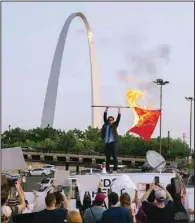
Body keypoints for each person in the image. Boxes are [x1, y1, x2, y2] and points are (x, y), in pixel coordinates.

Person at [101, 106, 121, 173]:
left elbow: (118, 118)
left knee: (115, 156)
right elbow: (104, 116)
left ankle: (115, 169)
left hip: (113, 142)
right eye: (109, 120)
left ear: (113, 120)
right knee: (107, 157)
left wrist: (119, 110)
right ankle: (107, 169)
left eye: (111, 120)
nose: (110, 121)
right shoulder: (106, 124)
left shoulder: (115, 125)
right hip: (107, 143)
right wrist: (106, 109)